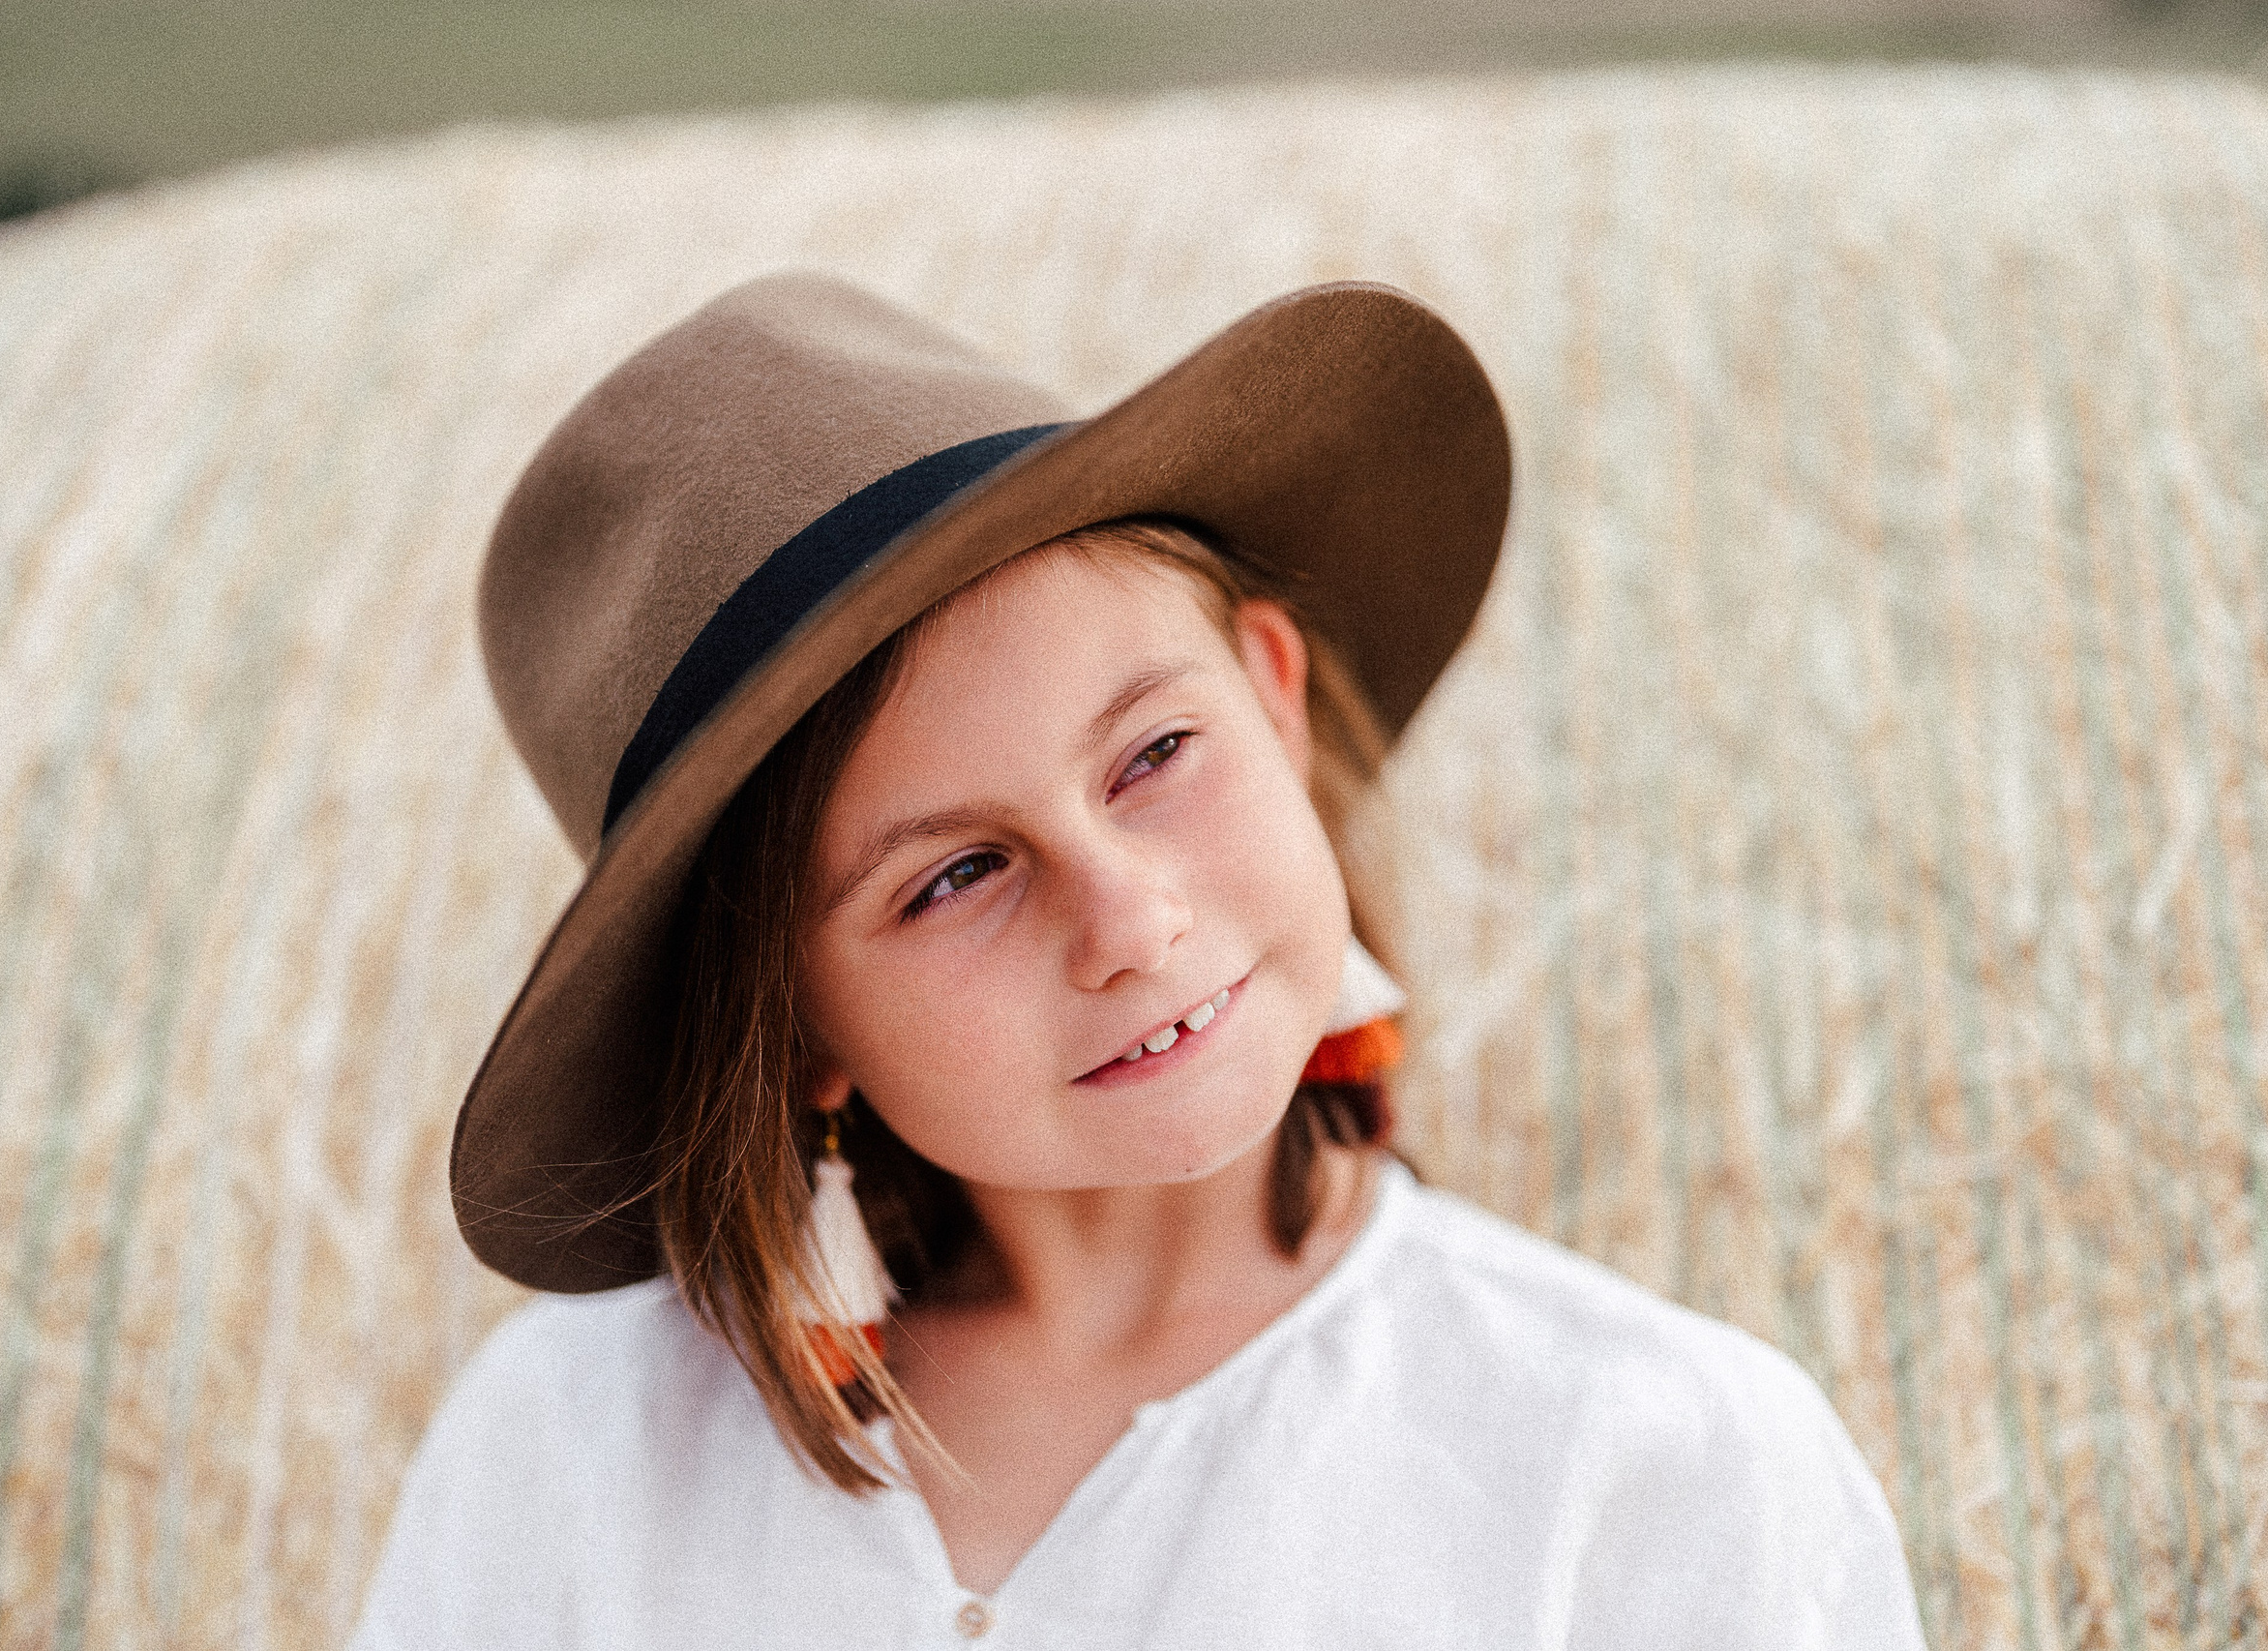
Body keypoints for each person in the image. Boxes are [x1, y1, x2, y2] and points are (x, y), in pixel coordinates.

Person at [350, 273, 1928, 1648]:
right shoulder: (562, 1459)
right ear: (790, 1019)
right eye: (955, 875)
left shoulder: (1660, 1468)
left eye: (1155, 753)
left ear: (1274, 697)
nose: (1130, 921)